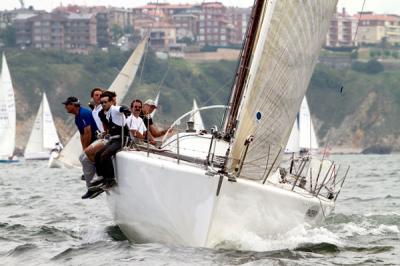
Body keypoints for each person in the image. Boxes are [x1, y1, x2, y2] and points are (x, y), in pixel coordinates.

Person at [62, 96, 102, 199]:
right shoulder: (77, 117)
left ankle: (97, 179)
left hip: (97, 140)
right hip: (92, 142)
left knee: (85, 159)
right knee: (82, 157)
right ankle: (91, 187)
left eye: (67, 105)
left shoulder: (83, 113)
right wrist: (84, 148)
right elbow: (82, 134)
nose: (65, 107)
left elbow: (88, 132)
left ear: (73, 105)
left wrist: (86, 149)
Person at [92, 91, 130, 190]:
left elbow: (121, 108)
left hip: (122, 139)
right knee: (97, 155)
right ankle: (102, 177)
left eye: (105, 102)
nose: (103, 104)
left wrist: (126, 110)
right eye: (102, 103)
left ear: (110, 102)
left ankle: (111, 179)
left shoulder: (114, 109)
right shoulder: (107, 113)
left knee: (105, 155)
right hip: (113, 140)